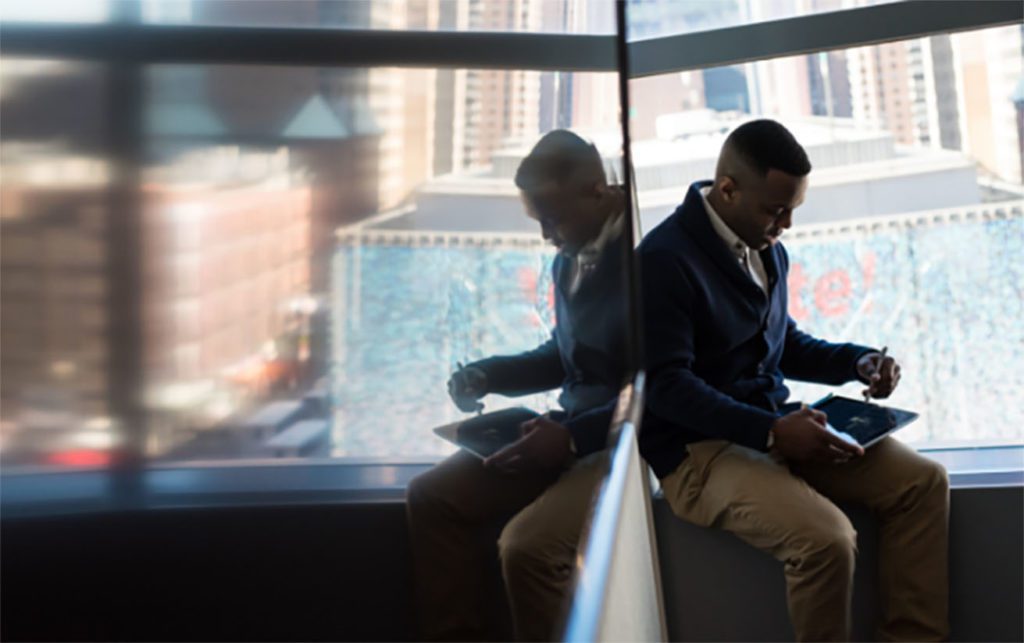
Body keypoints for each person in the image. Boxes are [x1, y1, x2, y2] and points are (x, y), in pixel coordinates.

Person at [638, 119, 949, 642]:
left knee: (923, 483)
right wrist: (773, 431)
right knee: (827, 540)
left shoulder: (765, 246)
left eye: (793, 211)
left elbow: (782, 341)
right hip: (700, 453)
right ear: (728, 188)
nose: (785, 225)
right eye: (775, 210)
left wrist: (859, 362)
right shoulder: (660, 261)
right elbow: (667, 387)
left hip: (771, 427)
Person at [406, 130, 629, 642]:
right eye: (539, 221)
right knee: (430, 497)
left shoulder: (651, 259)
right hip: (569, 428)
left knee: (524, 547)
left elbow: (659, 386)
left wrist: (571, 439)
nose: (547, 235)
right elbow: (565, 355)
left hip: (618, 445)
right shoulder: (569, 256)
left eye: (554, 219)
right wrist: (489, 375)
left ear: (596, 190)